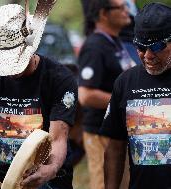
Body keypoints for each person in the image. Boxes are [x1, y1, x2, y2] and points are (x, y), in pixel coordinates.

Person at [0, 3, 78, 189]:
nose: (9, 68)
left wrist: (49, 169)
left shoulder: (59, 78)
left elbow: (58, 139)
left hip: (49, 183)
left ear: (30, 48)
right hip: (2, 182)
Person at [101, 2, 171, 189]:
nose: (148, 55)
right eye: (140, 47)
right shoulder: (125, 82)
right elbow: (115, 147)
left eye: (156, 47)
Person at [78, 0, 135, 188]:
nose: (127, 10)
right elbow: (85, 94)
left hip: (118, 131)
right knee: (104, 183)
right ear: (104, 14)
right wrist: (126, 103)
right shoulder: (94, 46)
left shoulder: (115, 41)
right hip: (100, 132)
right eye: (121, 7)